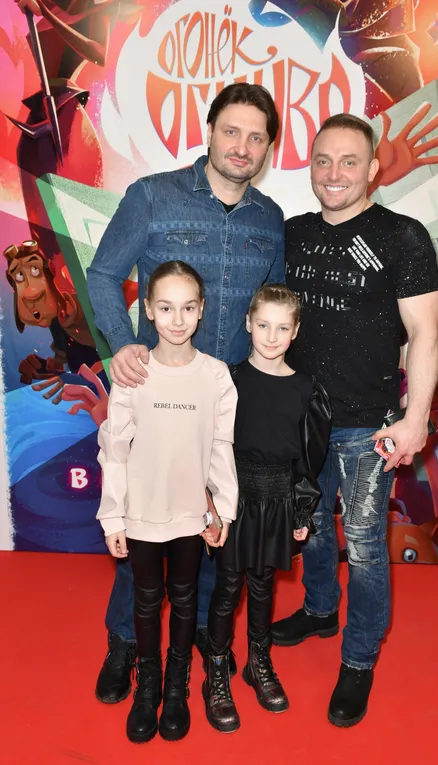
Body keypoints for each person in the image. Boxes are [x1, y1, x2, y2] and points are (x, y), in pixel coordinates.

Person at [87, 82, 284, 704]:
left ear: (269, 149)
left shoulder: (270, 218)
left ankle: (193, 632)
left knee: (211, 520)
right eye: (232, 131)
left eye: (256, 137)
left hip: (229, 399)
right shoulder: (152, 196)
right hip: (157, 393)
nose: (242, 146)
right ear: (210, 131)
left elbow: (274, 308)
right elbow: (102, 274)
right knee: (146, 521)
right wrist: (122, 344)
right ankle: (126, 640)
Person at [272, 114, 438, 727]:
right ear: (310, 167)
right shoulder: (290, 234)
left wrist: (416, 418)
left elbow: (425, 334)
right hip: (301, 418)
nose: (334, 173)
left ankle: (360, 657)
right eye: (323, 160)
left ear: (372, 168)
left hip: (369, 425)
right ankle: (321, 610)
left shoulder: (402, 236)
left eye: (349, 161)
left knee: (367, 547)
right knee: (314, 527)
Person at [96, 260, 238, 743]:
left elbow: (221, 447)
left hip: (190, 516)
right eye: (166, 307)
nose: (177, 319)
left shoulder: (216, 376)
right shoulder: (133, 374)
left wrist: (222, 509)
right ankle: (148, 687)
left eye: (188, 308)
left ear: (202, 310)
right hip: (141, 513)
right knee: (145, 600)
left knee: (184, 598)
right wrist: (113, 516)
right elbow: (114, 449)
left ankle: (176, 686)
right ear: (149, 311)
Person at [202, 284, 331, 733]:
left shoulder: (306, 389)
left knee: (262, 586)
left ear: (295, 331)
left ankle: (258, 661)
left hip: (277, 501)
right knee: (227, 587)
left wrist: (302, 511)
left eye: (281, 328)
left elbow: (309, 459)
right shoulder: (229, 380)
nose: (271, 336)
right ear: (248, 324)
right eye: (263, 325)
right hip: (233, 498)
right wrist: (211, 505)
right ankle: (217, 669)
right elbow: (208, 446)